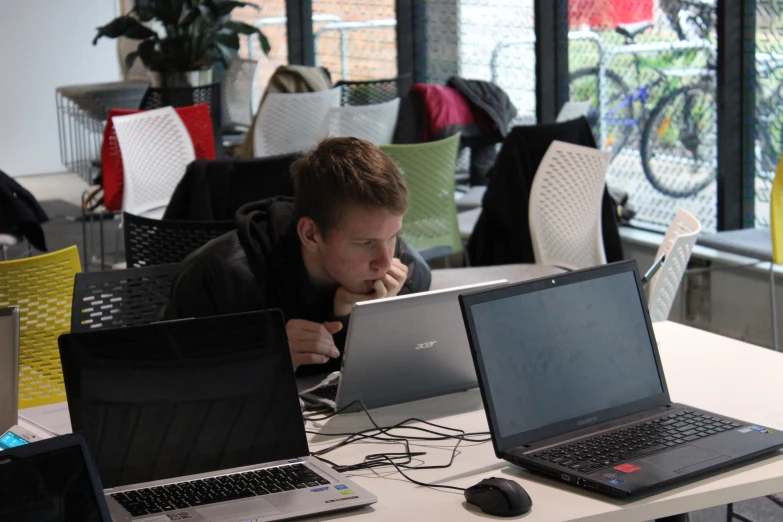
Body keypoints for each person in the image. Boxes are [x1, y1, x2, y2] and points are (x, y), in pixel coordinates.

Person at [164, 137, 432, 376]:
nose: (385, 262)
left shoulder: (406, 270)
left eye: (392, 236)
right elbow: (167, 383)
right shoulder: (217, 276)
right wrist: (262, 359)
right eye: (365, 243)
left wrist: (371, 320)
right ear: (311, 235)